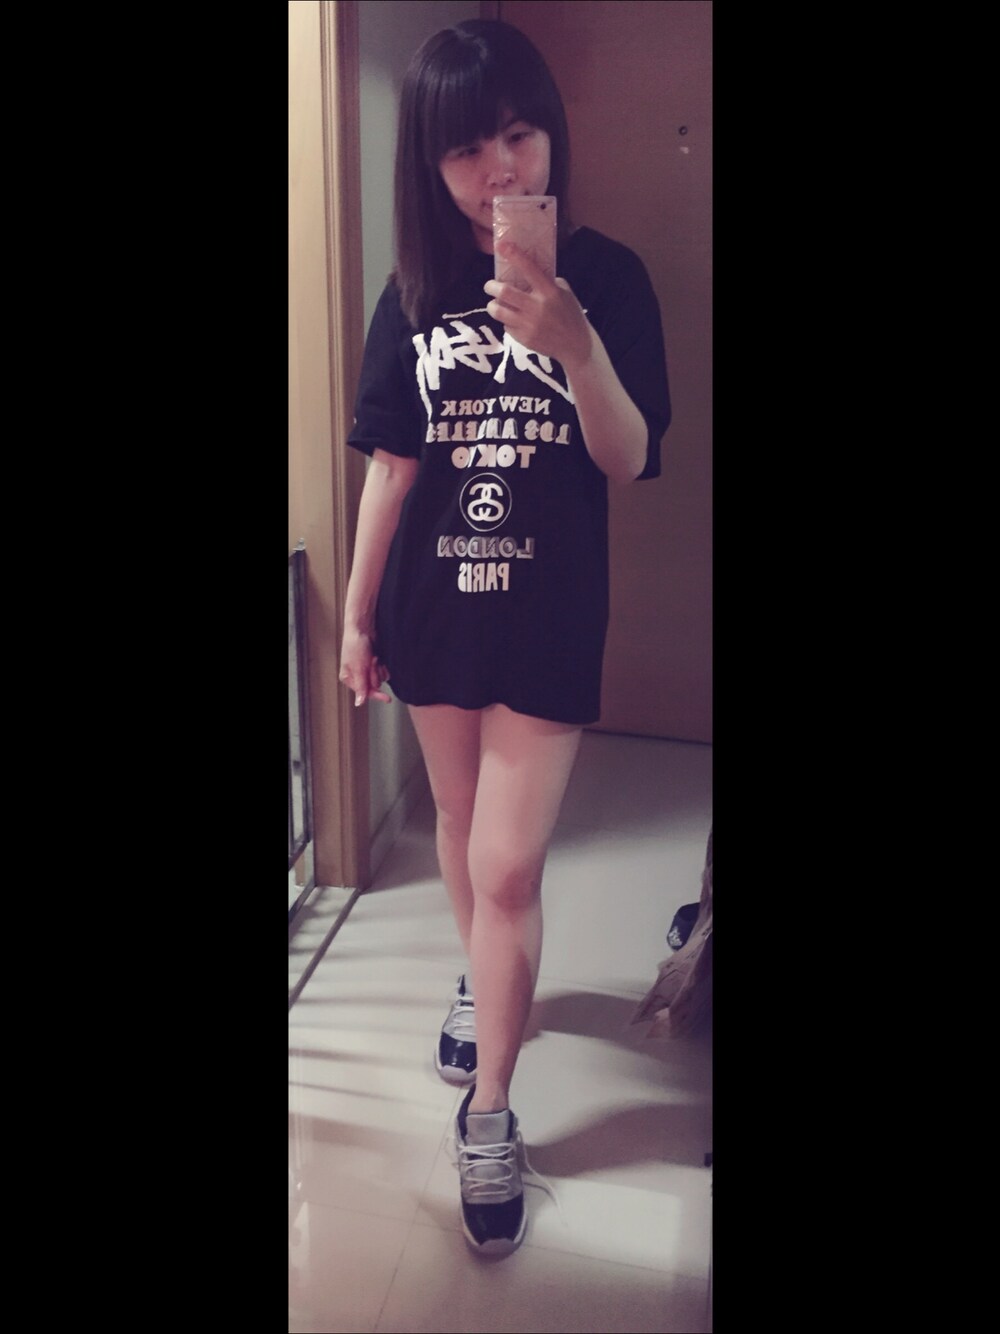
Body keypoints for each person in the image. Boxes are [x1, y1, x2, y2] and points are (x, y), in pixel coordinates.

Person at [339, 18, 670, 1257]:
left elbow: (627, 457)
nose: (497, 171)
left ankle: (489, 1108)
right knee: (461, 832)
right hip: (433, 607)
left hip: (545, 615)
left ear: (551, 136)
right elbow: (391, 467)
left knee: (510, 866)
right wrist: (357, 615)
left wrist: (573, 340)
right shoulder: (411, 297)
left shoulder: (610, 281)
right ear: (429, 166)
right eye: (465, 149)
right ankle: (482, 981)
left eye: (518, 135)